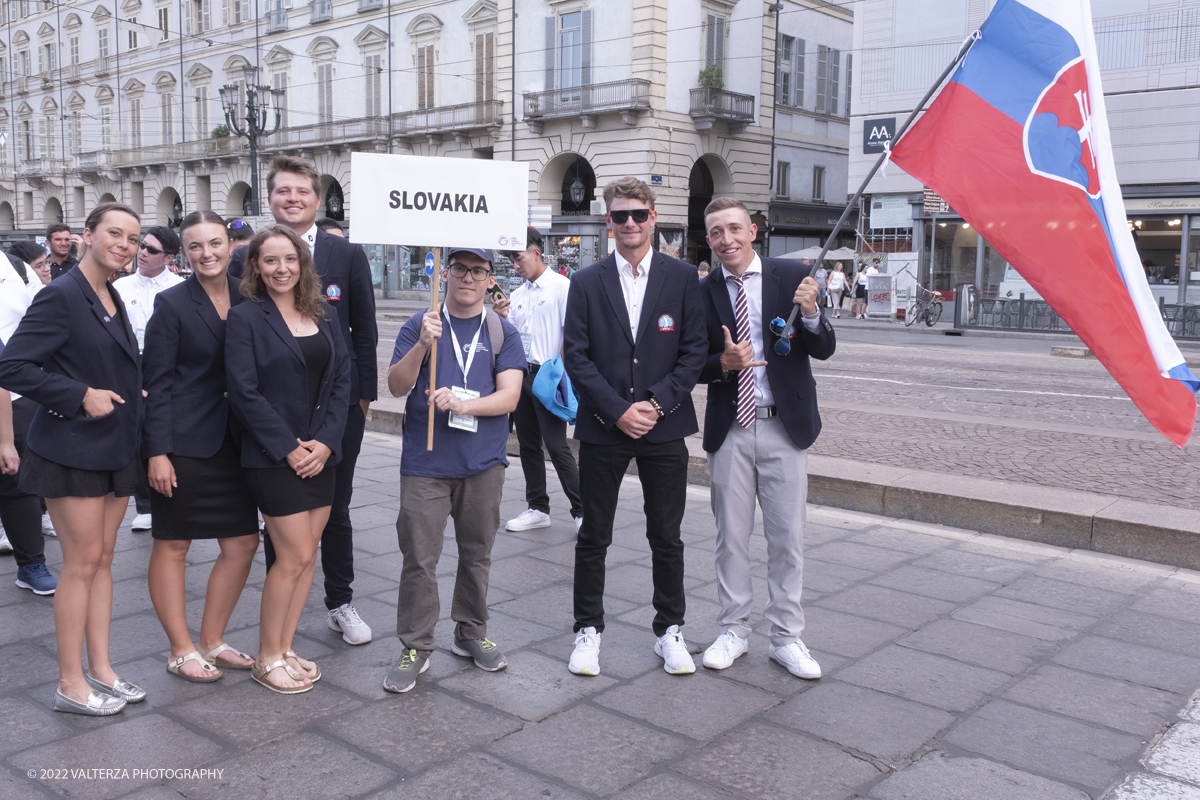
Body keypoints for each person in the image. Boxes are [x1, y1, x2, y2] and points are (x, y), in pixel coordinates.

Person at [0, 201, 146, 716]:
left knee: (103, 561)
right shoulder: (60, 296)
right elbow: (11, 365)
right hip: (71, 450)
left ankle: (101, 669)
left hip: (113, 447)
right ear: (87, 235)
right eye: (114, 233)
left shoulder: (109, 293)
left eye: (132, 237)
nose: (124, 244)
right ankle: (69, 683)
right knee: (80, 565)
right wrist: (79, 393)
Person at [230, 156, 378, 647]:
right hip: (274, 419)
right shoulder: (245, 259)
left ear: (317, 200)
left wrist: (360, 404)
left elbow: (363, 333)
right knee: (282, 525)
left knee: (334, 512)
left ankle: (340, 602)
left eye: (302, 191)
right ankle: (280, 629)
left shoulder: (347, 254)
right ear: (269, 200)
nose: (292, 198)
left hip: (335, 416)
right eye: (283, 192)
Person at [562, 177, 707, 677]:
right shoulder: (585, 282)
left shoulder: (684, 277)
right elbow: (576, 358)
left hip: (664, 430)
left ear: (653, 217)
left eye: (638, 215)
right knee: (593, 536)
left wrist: (656, 405)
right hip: (604, 428)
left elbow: (693, 353)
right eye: (620, 215)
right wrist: (617, 410)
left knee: (666, 536)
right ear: (608, 220)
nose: (630, 224)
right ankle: (588, 630)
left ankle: (670, 630)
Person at [697, 197, 835, 680]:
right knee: (729, 538)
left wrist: (813, 312)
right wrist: (722, 365)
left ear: (752, 230)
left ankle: (786, 638)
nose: (726, 240)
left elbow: (824, 348)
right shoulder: (704, 290)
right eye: (716, 233)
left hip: (783, 426)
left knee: (787, 539)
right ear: (709, 239)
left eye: (734, 229)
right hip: (730, 427)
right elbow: (691, 362)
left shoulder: (789, 276)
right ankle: (733, 630)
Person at [383, 247, 524, 694]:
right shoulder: (419, 324)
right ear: (444, 274)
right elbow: (396, 386)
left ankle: (469, 631)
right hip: (426, 464)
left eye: (477, 271)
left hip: (482, 462)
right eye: (460, 269)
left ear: (489, 280)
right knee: (419, 559)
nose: (467, 277)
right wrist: (423, 345)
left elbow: (510, 398)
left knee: (476, 553)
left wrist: (466, 405)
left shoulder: (503, 331)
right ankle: (415, 646)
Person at [225, 225, 351, 695]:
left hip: (321, 455)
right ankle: (266, 656)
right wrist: (289, 446)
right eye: (271, 260)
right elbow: (244, 392)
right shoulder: (246, 318)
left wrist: (325, 443)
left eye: (290, 259)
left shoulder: (325, 314)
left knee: (307, 556)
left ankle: (285, 645)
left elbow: (342, 383)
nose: (282, 268)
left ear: (303, 264)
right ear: (255, 266)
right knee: (292, 554)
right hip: (272, 456)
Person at [142, 211, 260, 683]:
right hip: (186, 443)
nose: (207, 253)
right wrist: (157, 451)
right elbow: (158, 382)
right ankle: (180, 648)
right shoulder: (171, 304)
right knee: (173, 545)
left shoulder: (250, 293)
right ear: (184, 253)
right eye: (196, 246)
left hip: (240, 442)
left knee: (243, 543)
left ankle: (212, 639)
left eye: (215, 243)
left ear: (230, 245)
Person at [494, 228, 582, 533]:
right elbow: (513, 339)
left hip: (549, 375)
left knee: (557, 445)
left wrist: (559, 375)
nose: (516, 266)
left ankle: (582, 510)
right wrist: (502, 319)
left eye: (518, 258)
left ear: (536, 253)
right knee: (527, 444)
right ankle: (537, 507)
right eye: (511, 261)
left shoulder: (561, 287)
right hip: (522, 374)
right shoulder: (517, 295)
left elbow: (571, 334)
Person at [115, 226, 184, 533]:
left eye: (151, 250)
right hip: (132, 364)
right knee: (138, 433)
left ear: (169, 257)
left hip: (169, 365)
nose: (142, 252)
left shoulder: (179, 287)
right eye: (142, 246)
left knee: (167, 427)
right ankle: (143, 503)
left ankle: (174, 493)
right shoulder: (120, 287)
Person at [0, 250, 58, 595]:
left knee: (17, 479)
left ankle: (31, 563)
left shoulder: (17, 268)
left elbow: (45, 320)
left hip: (17, 393)